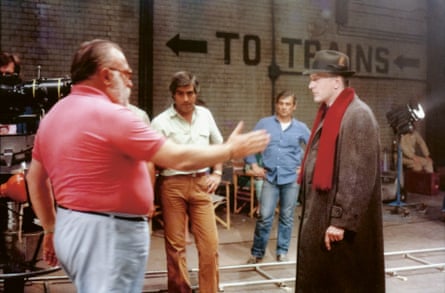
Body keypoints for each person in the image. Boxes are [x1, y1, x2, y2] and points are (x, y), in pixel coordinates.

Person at [25, 39, 270, 293]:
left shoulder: (54, 115)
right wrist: (230, 150)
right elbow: (177, 157)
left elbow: (35, 179)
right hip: (108, 237)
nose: (131, 82)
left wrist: (51, 228)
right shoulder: (113, 115)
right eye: (127, 74)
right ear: (106, 76)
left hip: (71, 228)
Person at [295, 50, 385, 292]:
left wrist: (340, 221)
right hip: (323, 220)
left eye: (316, 78)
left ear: (336, 81)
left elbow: (357, 175)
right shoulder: (331, 113)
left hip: (337, 229)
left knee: (345, 283)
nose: (310, 84)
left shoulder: (357, 115)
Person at [149, 71, 224, 293]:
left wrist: (217, 173)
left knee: (209, 245)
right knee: (176, 246)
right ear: (173, 95)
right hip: (172, 185)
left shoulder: (205, 115)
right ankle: (180, 290)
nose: (186, 99)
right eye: (180, 94)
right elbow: (152, 160)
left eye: (190, 93)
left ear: (195, 93)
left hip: (201, 183)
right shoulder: (160, 122)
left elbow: (218, 145)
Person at [246, 90, 310, 264]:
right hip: (270, 178)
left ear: (294, 107)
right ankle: (257, 252)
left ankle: (282, 251)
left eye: (288, 104)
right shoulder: (264, 123)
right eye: (281, 103)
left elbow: (314, 149)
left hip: (291, 179)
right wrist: (254, 165)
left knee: (287, 216)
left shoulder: (301, 128)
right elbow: (249, 143)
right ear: (276, 104)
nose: (284, 107)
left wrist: (303, 168)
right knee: (265, 215)